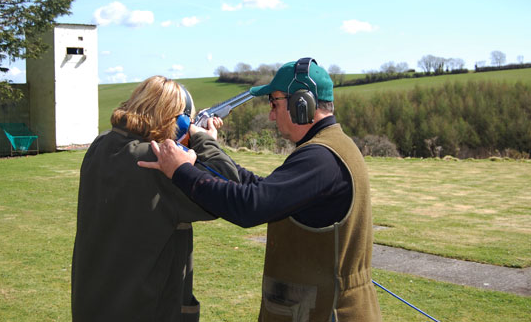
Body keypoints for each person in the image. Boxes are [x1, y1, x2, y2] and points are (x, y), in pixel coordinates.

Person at [138, 58, 382, 321]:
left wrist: (180, 171)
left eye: (275, 104)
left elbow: (249, 206)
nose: (271, 114)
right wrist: (205, 148)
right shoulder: (328, 149)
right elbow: (258, 188)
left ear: (302, 104)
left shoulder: (321, 158)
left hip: (325, 313)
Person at [71, 75, 239, 322]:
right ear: (178, 120)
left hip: (93, 304)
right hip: (147, 309)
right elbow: (229, 190)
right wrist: (201, 138)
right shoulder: (157, 162)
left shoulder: (101, 145)